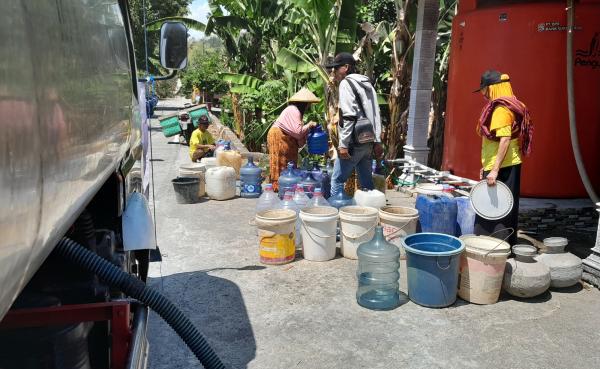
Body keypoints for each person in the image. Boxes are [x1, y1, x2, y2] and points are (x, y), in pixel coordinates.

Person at [474, 70, 533, 245]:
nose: (483, 95)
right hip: (504, 164)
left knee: (494, 210)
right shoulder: (512, 104)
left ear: (492, 88)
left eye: (483, 90)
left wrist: (494, 169)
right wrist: (486, 165)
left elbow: (505, 139)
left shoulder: (501, 109)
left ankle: (494, 246)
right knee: (506, 207)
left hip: (503, 167)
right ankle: (505, 245)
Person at [325, 52, 383, 197]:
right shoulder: (367, 83)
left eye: (336, 68)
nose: (334, 72)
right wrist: (377, 141)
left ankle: (336, 215)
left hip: (354, 142)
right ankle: (370, 213)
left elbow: (349, 116)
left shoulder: (346, 83)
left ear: (346, 67)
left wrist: (343, 144)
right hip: (368, 141)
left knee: (337, 180)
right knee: (366, 183)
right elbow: (376, 113)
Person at [267, 88, 320, 191]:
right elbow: (298, 132)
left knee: (289, 161)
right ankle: (278, 185)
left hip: (286, 137)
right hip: (278, 135)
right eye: (309, 104)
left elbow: (298, 135)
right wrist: (309, 125)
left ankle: (287, 184)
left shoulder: (296, 112)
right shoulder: (293, 110)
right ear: (304, 103)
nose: (309, 106)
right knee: (279, 161)